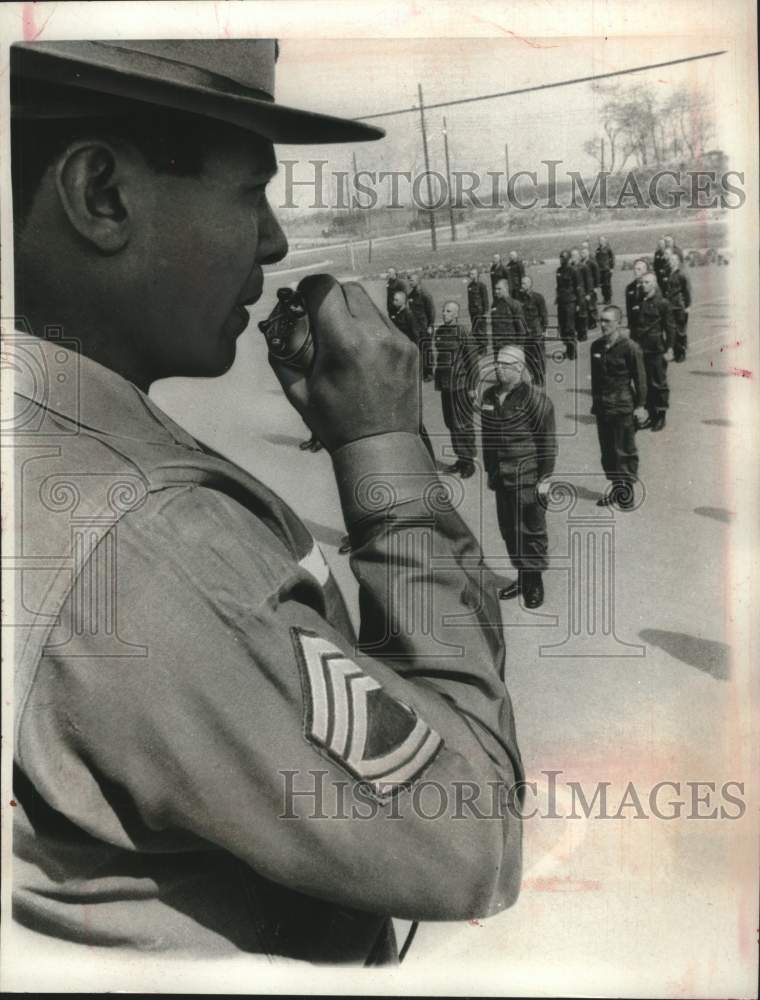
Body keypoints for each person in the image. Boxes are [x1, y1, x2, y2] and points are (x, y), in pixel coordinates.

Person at [10, 39, 523, 966]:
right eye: (251, 190)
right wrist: (385, 456)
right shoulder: (153, 538)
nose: (276, 241)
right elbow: (471, 836)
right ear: (103, 195)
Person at [481, 346, 557, 609]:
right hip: (502, 477)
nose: (499, 368)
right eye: (497, 363)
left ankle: (534, 582)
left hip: (527, 478)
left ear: (519, 369)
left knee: (532, 531)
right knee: (510, 531)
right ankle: (523, 577)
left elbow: (548, 443)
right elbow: (487, 438)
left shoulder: (536, 400)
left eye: (505, 365)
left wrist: (545, 478)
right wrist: (490, 470)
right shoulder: (489, 396)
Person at [590, 307, 648, 510]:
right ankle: (616, 489)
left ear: (618, 323)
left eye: (607, 321)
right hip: (602, 408)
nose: (602, 324)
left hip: (622, 407)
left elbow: (640, 379)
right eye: (601, 321)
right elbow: (596, 381)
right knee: (607, 452)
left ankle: (626, 493)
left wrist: (640, 406)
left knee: (624, 451)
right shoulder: (596, 346)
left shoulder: (630, 347)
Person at [433, 301, 478, 478]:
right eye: (443, 310)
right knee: (451, 423)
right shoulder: (440, 332)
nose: (444, 313)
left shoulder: (463, 332)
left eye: (449, 311)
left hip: (460, 385)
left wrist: (473, 387)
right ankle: (461, 458)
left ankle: (469, 462)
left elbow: (473, 361)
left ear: (456, 315)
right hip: (446, 385)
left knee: (463, 424)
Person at [637, 271, 675, 431]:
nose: (643, 285)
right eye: (642, 282)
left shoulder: (663, 303)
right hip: (642, 349)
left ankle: (661, 416)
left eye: (647, 282)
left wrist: (670, 348)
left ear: (654, 284)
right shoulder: (640, 301)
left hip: (657, 349)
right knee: (646, 383)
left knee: (658, 383)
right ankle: (651, 416)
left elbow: (670, 327)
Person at [517, 274, 548, 386]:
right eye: (521, 283)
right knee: (528, 357)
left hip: (536, 331)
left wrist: (544, 329)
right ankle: (533, 376)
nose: (522, 285)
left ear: (530, 285)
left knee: (539, 356)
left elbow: (543, 314)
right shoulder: (519, 298)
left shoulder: (538, 297)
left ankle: (541, 377)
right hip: (526, 333)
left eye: (524, 283)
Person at [408, 271, 436, 381]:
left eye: (412, 280)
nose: (409, 282)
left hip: (424, 327)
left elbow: (431, 311)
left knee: (426, 350)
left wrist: (431, 325)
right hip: (414, 328)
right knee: (418, 350)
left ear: (418, 281)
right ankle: (421, 372)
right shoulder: (411, 295)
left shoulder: (425, 295)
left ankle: (429, 373)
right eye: (409, 280)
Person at [664, 250, 691, 362]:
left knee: (680, 331)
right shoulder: (667, 273)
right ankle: (676, 352)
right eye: (670, 260)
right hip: (669, 306)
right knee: (671, 330)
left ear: (678, 262)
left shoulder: (681, 275)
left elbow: (687, 291)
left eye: (674, 260)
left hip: (679, 306)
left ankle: (681, 353)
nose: (671, 262)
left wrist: (688, 306)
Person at [490, 278, 526, 356]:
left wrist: (519, 346)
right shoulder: (495, 305)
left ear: (506, 289)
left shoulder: (515, 304)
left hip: (510, 346)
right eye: (495, 289)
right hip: (497, 346)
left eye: (499, 289)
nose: (496, 291)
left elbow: (521, 328)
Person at [555, 249, 580, 360]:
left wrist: (579, 303)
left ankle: (572, 352)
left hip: (570, 302)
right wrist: (557, 297)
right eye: (560, 257)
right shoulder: (558, 270)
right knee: (562, 328)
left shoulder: (573, 271)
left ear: (568, 259)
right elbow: (558, 286)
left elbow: (578, 287)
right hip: (561, 302)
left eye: (563, 258)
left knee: (570, 328)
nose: (561, 260)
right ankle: (568, 348)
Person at [466, 266, 490, 354]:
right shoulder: (469, 286)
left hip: (480, 311)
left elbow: (485, 299)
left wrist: (486, 311)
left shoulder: (482, 286)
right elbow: (469, 300)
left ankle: (483, 349)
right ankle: (478, 348)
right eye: (470, 274)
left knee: (482, 330)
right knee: (475, 329)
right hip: (473, 312)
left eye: (473, 274)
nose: (471, 275)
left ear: (477, 275)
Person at [569, 247, 591, 341]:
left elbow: (588, 280)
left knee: (582, 315)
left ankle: (583, 333)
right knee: (574, 315)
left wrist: (589, 293)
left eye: (575, 255)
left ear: (578, 256)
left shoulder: (583, 267)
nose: (573, 257)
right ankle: (577, 332)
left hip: (582, 294)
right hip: (573, 295)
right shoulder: (570, 267)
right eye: (572, 256)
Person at [625, 258, 648, 343]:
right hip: (635, 326)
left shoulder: (650, 286)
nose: (635, 271)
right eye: (634, 269)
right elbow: (628, 308)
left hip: (648, 325)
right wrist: (629, 325)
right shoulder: (629, 287)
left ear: (645, 270)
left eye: (639, 269)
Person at [580, 244, 600, 330]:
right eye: (582, 253)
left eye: (584, 253)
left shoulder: (592, 263)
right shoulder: (581, 262)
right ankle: (588, 321)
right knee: (585, 304)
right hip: (583, 286)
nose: (582, 254)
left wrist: (596, 286)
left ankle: (594, 321)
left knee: (592, 305)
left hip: (591, 286)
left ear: (587, 253)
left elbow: (597, 275)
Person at [595, 236, 615, 305]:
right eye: (600, 240)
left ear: (605, 241)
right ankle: (605, 299)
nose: (601, 241)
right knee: (602, 285)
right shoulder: (598, 249)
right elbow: (596, 259)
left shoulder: (608, 249)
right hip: (600, 270)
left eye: (602, 240)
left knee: (607, 285)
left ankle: (608, 299)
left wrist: (612, 268)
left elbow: (612, 258)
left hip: (606, 269)